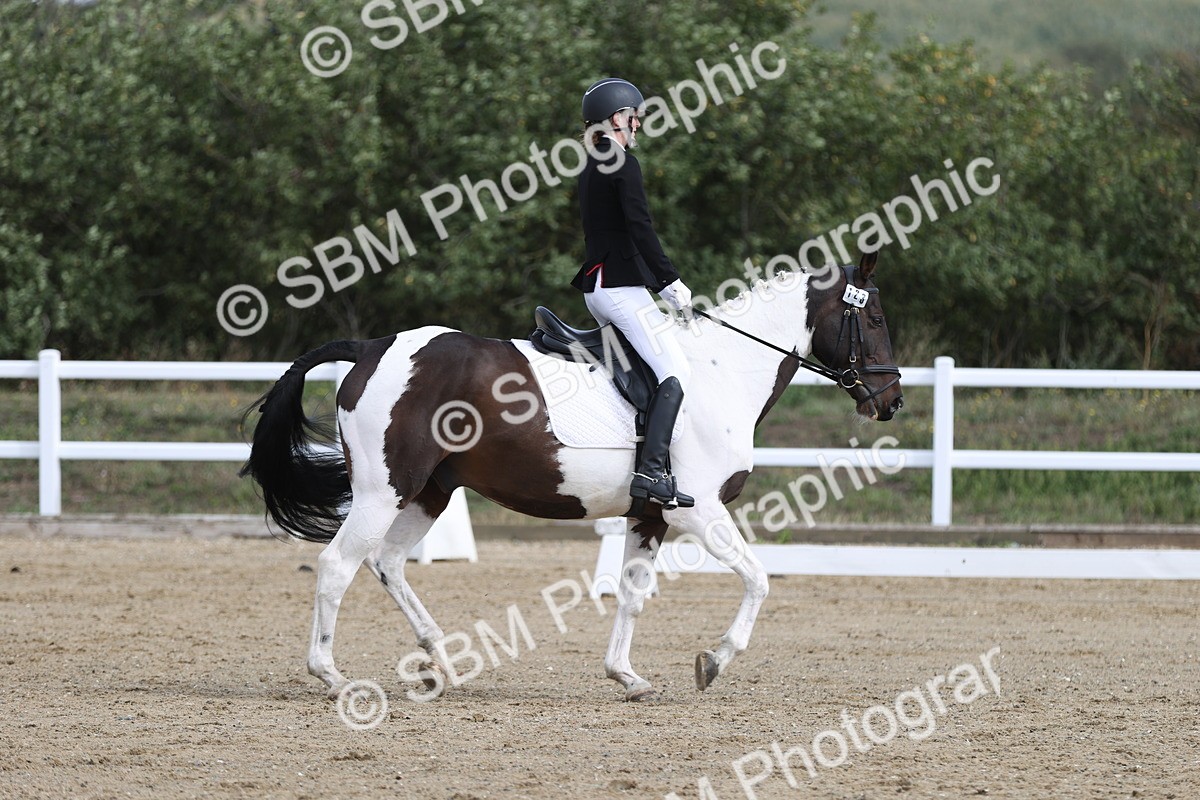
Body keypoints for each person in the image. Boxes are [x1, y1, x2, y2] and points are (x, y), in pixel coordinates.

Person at [570, 77, 695, 510]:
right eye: (631, 116)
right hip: (621, 286)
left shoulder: (592, 161)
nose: (637, 124)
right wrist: (669, 281)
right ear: (613, 119)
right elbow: (640, 227)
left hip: (600, 284)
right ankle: (651, 472)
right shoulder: (621, 162)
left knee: (642, 371)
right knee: (675, 372)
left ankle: (632, 452)